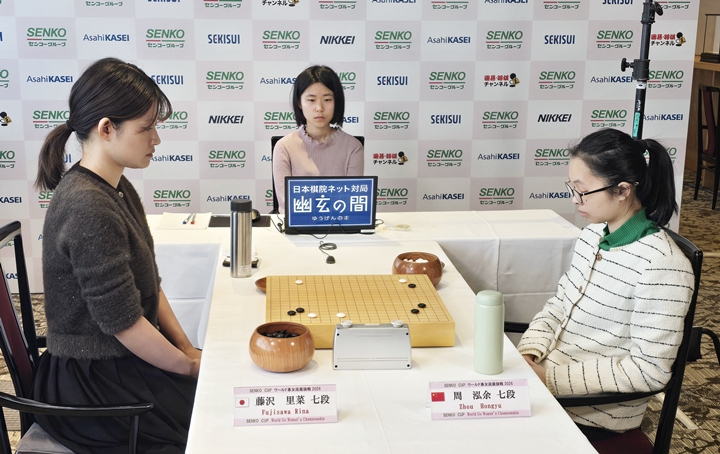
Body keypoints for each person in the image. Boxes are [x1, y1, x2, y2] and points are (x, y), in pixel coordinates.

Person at [33, 57, 200, 454]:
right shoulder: (87, 205)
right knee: (209, 428)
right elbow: (124, 323)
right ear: (106, 128)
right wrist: (188, 367)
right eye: (146, 128)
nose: (156, 139)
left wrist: (187, 350)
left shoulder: (118, 189)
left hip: (122, 360)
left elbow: (149, 286)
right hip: (93, 383)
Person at [516, 128, 695, 442]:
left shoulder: (663, 265)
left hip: (589, 414)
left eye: (583, 191)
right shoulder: (592, 235)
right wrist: (528, 354)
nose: (575, 200)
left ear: (623, 189)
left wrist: (550, 378)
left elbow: (649, 371)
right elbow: (559, 304)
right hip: (547, 390)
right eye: (572, 187)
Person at [272, 65, 364, 213]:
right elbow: (287, 202)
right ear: (299, 103)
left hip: (339, 224)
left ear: (336, 102)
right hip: (297, 225)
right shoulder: (284, 147)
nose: (319, 107)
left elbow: (352, 201)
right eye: (311, 100)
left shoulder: (353, 147)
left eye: (327, 99)